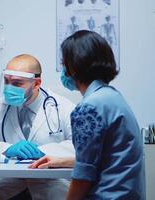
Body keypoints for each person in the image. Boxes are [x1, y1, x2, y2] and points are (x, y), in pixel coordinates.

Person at [30, 30, 145, 199]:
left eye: (64, 64)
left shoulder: (88, 108)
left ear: (75, 66)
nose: (63, 70)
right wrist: (61, 161)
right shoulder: (112, 97)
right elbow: (106, 158)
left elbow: (84, 177)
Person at [0, 54, 75, 199]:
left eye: (17, 83)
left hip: (51, 182)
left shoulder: (62, 107)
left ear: (36, 84)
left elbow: (81, 147)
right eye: (6, 81)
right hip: (12, 180)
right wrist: (7, 149)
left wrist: (43, 153)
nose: (9, 88)